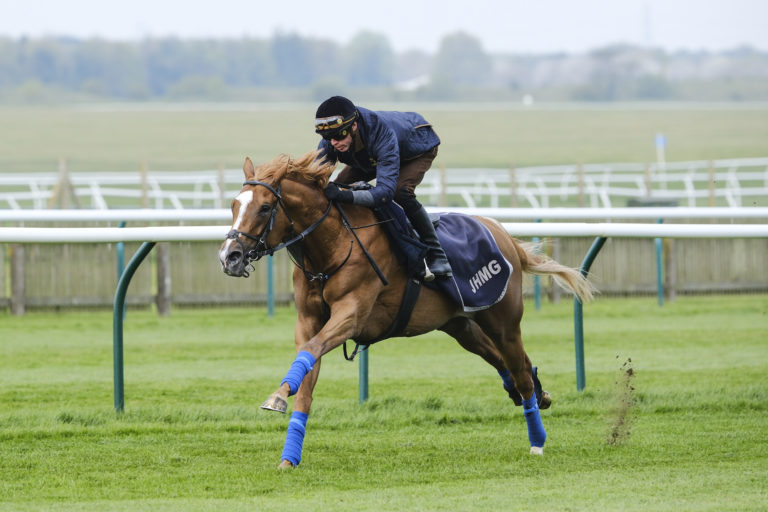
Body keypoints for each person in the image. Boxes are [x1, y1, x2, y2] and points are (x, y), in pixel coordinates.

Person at [314, 95, 452, 280]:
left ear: (353, 126)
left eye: (339, 136)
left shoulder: (380, 132)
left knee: (399, 192)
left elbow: (384, 193)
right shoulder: (334, 137)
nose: (334, 143)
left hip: (416, 149)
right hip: (372, 156)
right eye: (327, 137)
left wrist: (343, 195)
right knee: (340, 185)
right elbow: (315, 178)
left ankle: (436, 254)